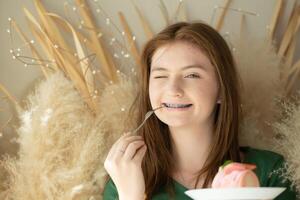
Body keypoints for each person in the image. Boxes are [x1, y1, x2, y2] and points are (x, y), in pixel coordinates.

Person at [102, 22, 297, 200]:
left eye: (192, 75)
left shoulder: (270, 172)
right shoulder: (124, 180)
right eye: (161, 76)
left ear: (221, 89)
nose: (173, 89)